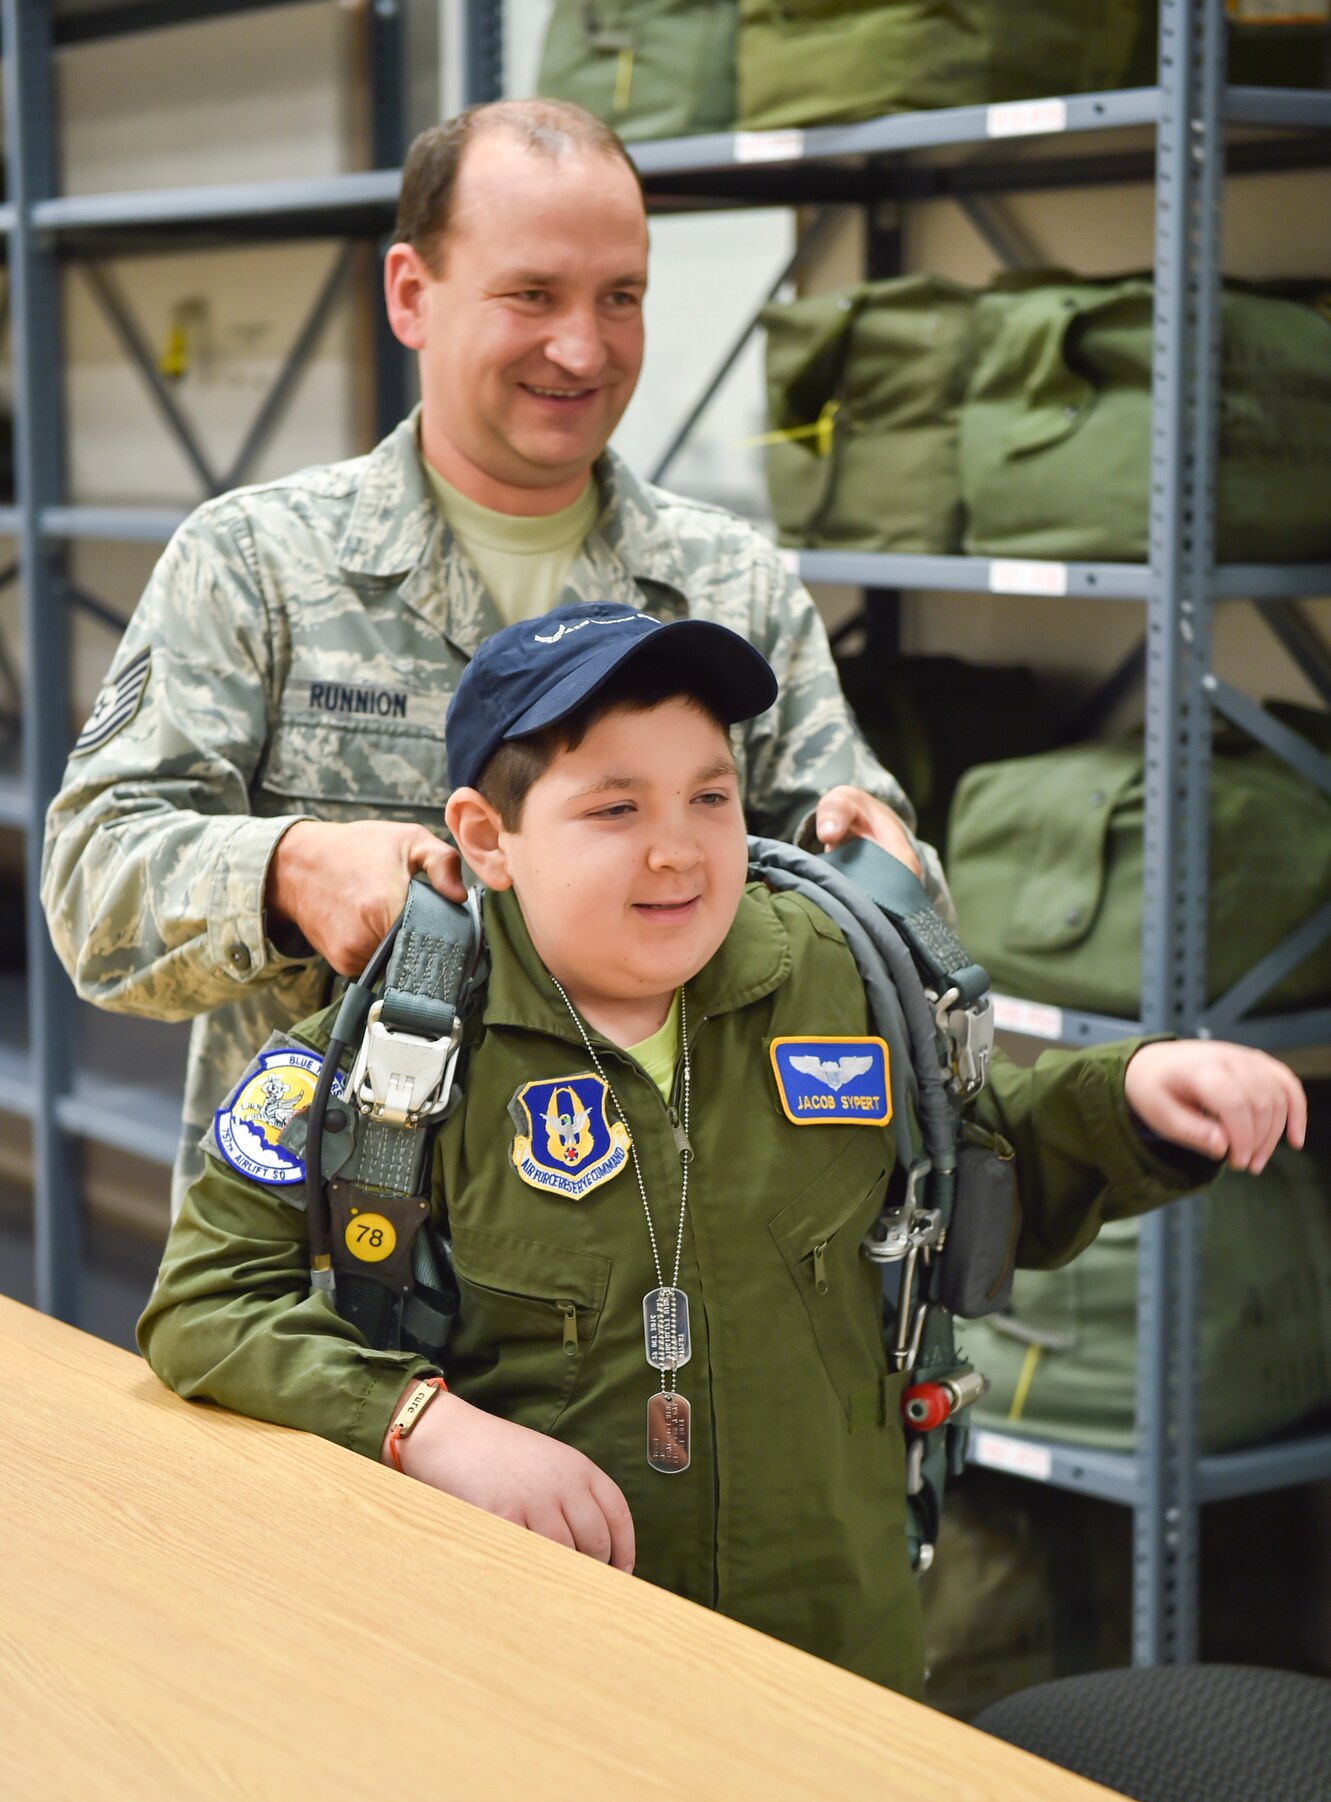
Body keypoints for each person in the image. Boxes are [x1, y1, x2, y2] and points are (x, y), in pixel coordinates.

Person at [137, 603, 1307, 1696]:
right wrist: (424, 1424)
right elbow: (206, 1298)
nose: (679, 852)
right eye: (615, 809)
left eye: (709, 798)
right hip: (530, 1662)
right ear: (487, 838)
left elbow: (977, 1164)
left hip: (834, 1645)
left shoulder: (835, 974)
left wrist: (1135, 1095)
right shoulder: (401, 1052)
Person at [41, 96, 943, 1209]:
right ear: (411, 294)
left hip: (646, 1275)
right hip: (323, 1275)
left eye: (620, 297)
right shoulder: (256, 562)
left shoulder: (725, 586)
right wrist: (284, 869)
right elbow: (92, 887)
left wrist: (863, 872)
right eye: (531, 295)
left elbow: (889, 897)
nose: (583, 347)